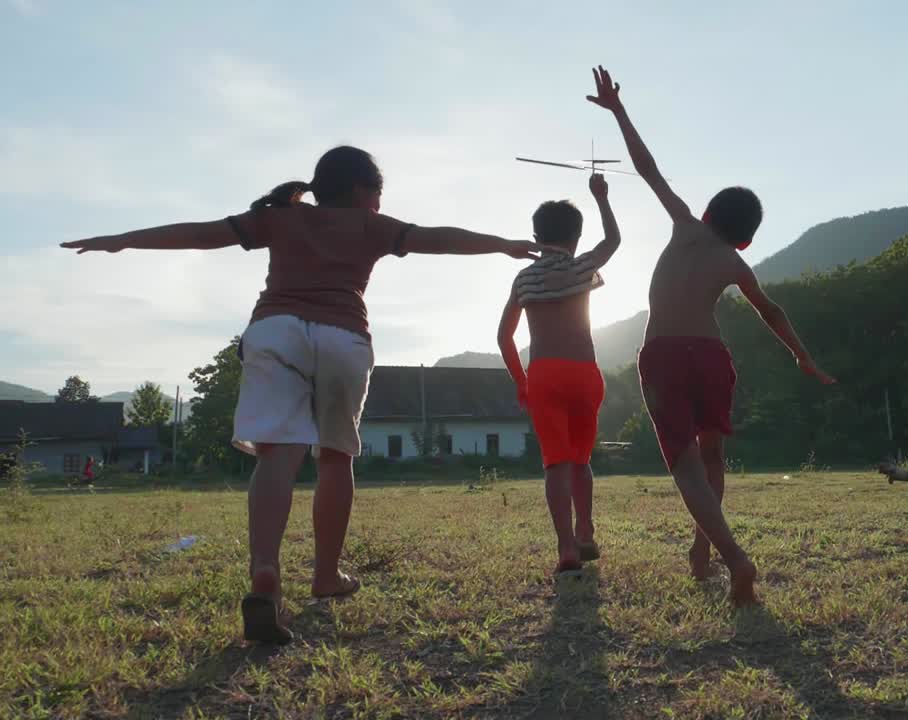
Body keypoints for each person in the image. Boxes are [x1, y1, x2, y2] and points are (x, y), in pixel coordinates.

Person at [62, 146, 557, 643]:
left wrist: (122, 240)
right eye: (379, 196)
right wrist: (502, 245)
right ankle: (325, 575)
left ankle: (265, 571)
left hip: (276, 331)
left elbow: (199, 233)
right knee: (336, 458)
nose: (380, 206)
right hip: (343, 337)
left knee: (276, 456)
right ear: (365, 193)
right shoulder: (371, 227)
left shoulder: (281, 218)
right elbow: (440, 240)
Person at [587, 67, 836, 606]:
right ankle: (701, 550)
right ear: (746, 237)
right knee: (713, 459)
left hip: (664, 359)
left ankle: (735, 558)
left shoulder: (685, 225)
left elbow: (648, 169)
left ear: (705, 212)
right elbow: (772, 312)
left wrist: (619, 111)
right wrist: (804, 359)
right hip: (712, 359)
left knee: (684, 467)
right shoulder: (734, 262)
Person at [497, 173, 621, 577]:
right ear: (575, 237)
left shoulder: (524, 278)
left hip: (544, 375)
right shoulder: (582, 266)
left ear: (536, 234)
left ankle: (566, 547)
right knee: (581, 460)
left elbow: (505, 336)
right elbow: (612, 242)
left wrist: (521, 380)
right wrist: (601, 197)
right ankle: (586, 529)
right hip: (585, 373)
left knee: (556, 462)